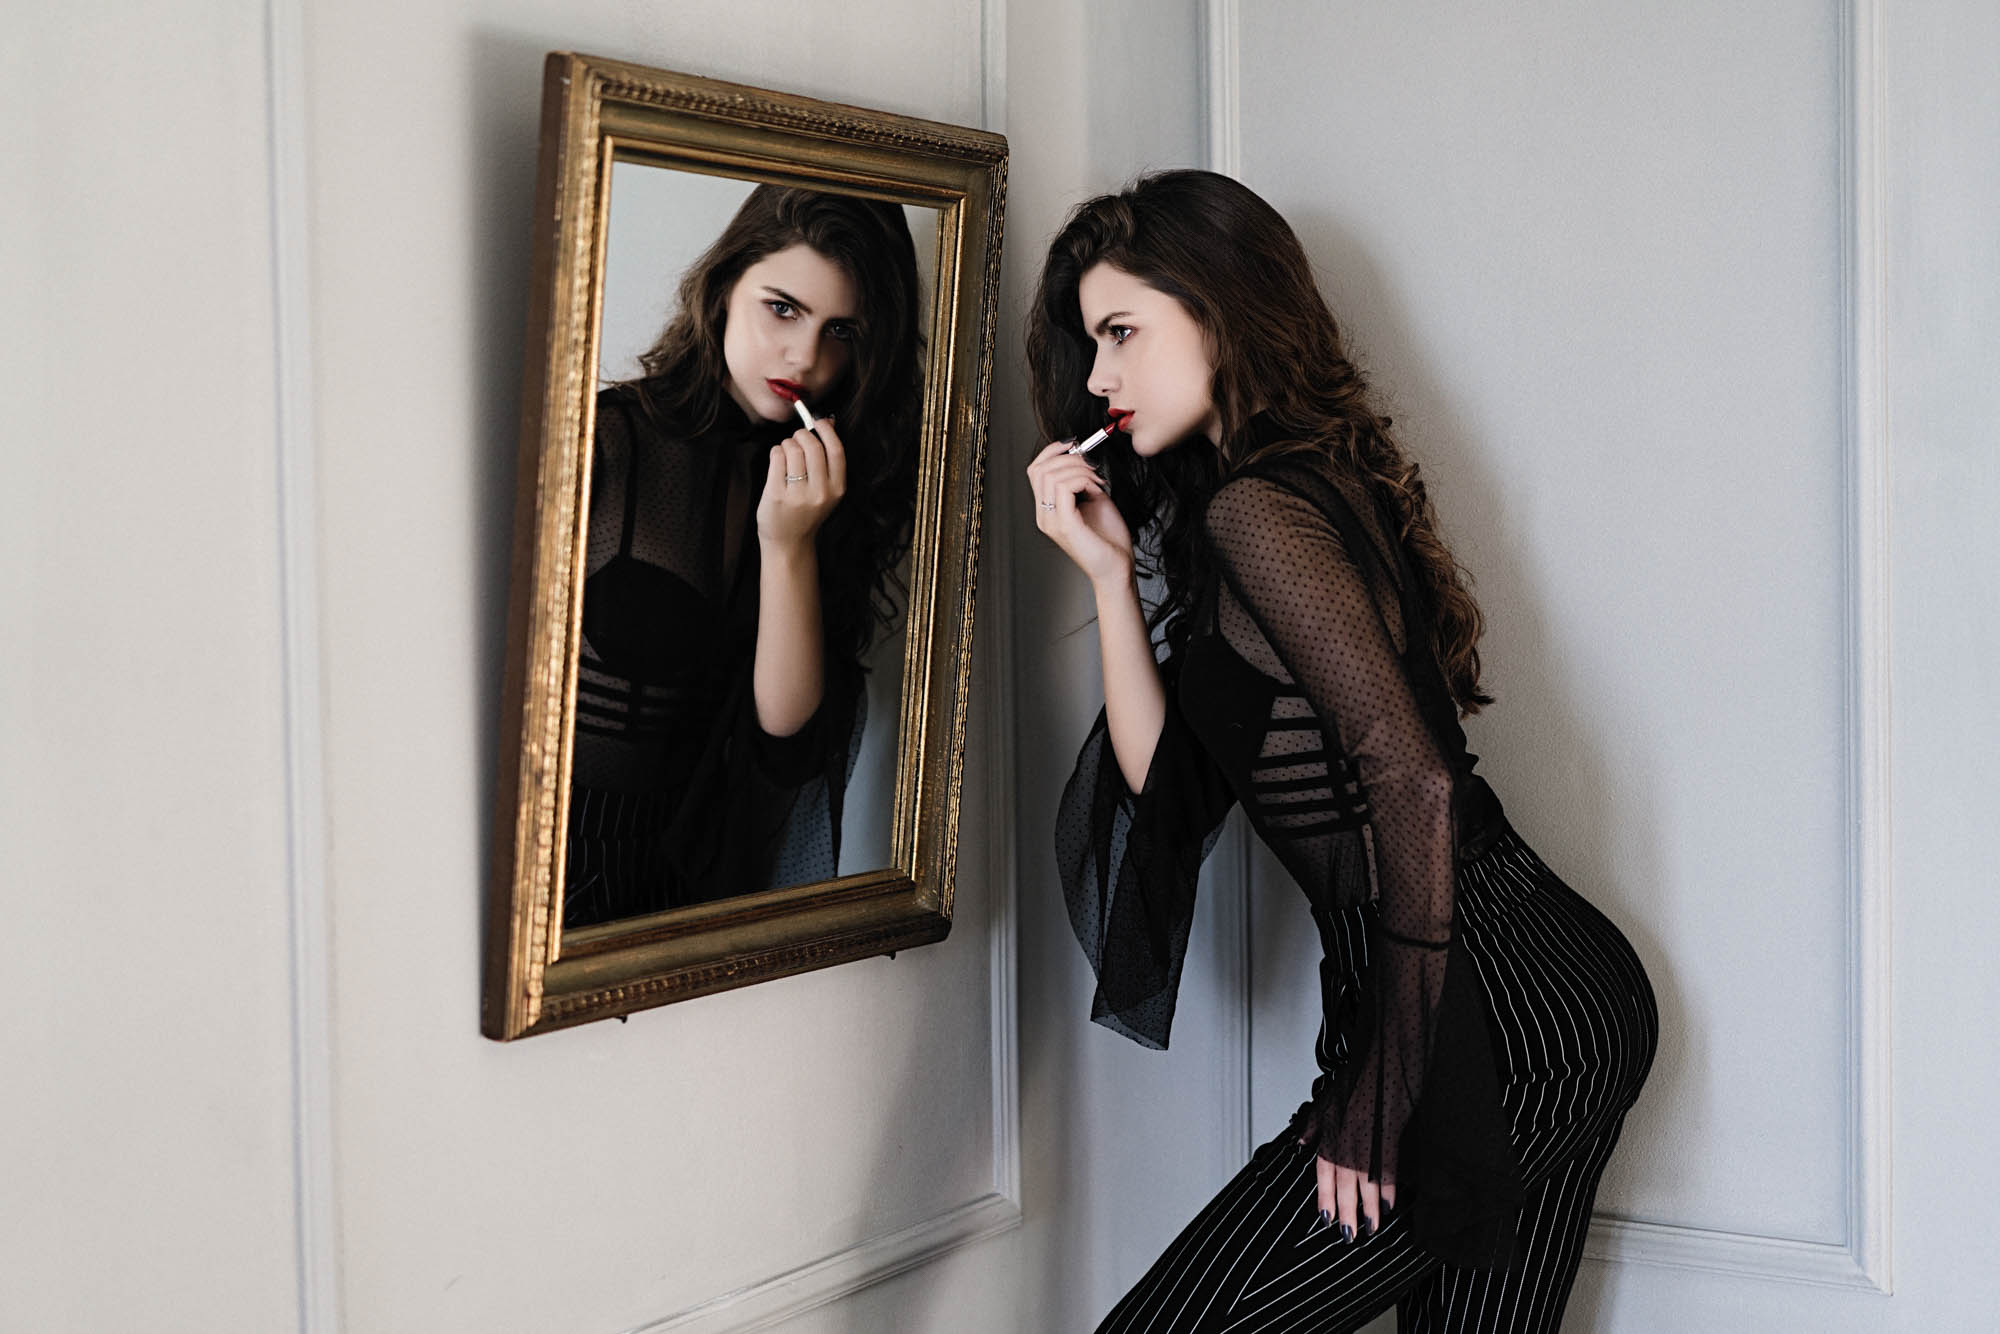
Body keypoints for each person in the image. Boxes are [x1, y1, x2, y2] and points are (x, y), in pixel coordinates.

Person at [1025, 170, 1658, 1332]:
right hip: (1527, 992)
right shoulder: (1265, 498)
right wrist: (1111, 578)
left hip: (1491, 1010)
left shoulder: (1258, 508)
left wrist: (1384, 1082)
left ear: (1216, 310)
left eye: (1121, 332)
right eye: (1090, 343)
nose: (1099, 377)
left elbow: (1411, 778)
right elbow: (1165, 788)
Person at [565, 185, 921, 929]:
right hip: (550, 889)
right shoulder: (602, 445)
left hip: (681, 905)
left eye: (842, 331)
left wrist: (789, 546)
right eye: (783, 309)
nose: (807, 357)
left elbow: (784, 743)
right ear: (725, 287)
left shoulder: (825, 486)